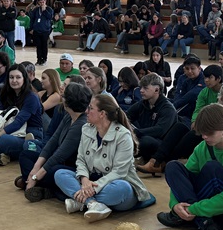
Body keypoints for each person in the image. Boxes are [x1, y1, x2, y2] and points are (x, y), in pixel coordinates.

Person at [53, 93, 151, 222]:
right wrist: (84, 180)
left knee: (122, 188)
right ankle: (92, 203)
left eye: (91, 108)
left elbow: (119, 172)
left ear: (102, 114)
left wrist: (93, 189)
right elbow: (81, 159)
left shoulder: (123, 135)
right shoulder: (86, 129)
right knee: (60, 174)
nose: (86, 111)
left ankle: (81, 201)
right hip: (92, 180)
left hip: (116, 183)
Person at [19, 83, 92, 202]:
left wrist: (36, 176)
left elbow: (60, 154)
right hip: (60, 161)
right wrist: (35, 169)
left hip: (73, 167)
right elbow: (53, 141)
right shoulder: (69, 116)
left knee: (54, 171)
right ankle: (46, 188)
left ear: (67, 102)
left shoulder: (81, 124)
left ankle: (46, 188)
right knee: (26, 155)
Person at [29, 0, 54, 66]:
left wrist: (44, 10)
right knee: (38, 46)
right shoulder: (36, 10)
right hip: (37, 30)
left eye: (43, 2)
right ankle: (39, 59)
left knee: (44, 45)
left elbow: (50, 17)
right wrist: (31, 28)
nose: (42, 4)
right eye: (40, 2)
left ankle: (44, 59)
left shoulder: (49, 9)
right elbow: (32, 19)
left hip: (45, 30)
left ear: (45, 1)